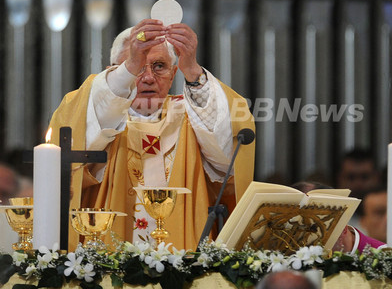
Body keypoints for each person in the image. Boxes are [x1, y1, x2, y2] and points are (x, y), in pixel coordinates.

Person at [49, 19, 255, 251]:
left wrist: (193, 71)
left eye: (159, 66)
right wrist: (129, 68)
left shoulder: (194, 114)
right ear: (113, 73)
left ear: (174, 73)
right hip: (107, 255)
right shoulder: (99, 116)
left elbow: (226, 159)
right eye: (136, 66)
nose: (147, 77)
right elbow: (77, 129)